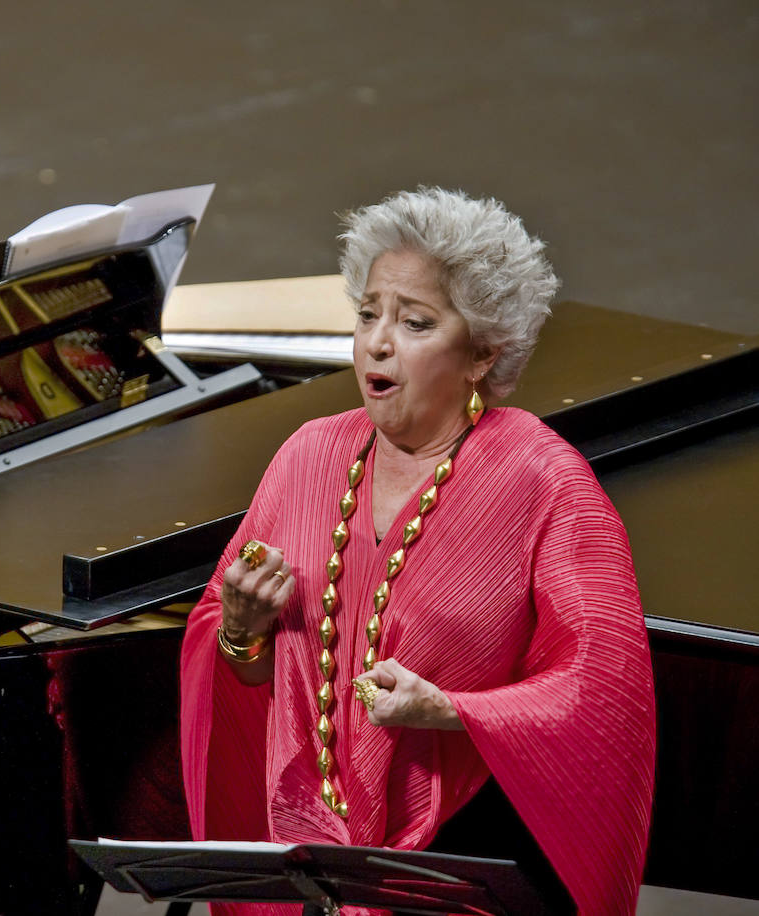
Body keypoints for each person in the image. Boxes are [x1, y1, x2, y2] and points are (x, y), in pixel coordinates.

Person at [180, 188, 656, 915]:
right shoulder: (307, 458)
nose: (376, 340)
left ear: (482, 353)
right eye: (369, 313)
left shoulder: (543, 479)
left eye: (415, 322)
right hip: (317, 866)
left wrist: (453, 710)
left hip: (473, 865)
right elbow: (242, 672)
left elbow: (602, 689)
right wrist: (242, 629)